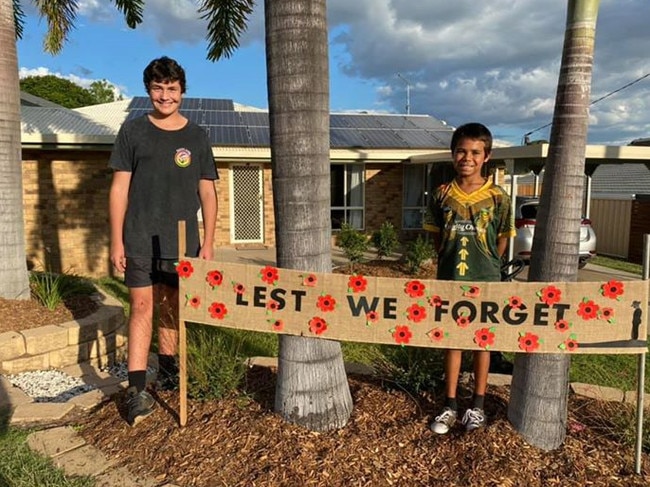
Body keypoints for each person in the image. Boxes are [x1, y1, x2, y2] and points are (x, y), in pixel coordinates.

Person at [109, 56, 218, 426]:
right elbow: (119, 188)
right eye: (158, 88)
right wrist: (116, 241)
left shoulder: (197, 136)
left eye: (172, 88)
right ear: (149, 91)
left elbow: (208, 191)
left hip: (182, 241)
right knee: (142, 307)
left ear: (182, 92)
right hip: (139, 236)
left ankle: (170, 375)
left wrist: (208, 242)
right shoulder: (133, 132)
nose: (165, 95)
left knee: (172, 306)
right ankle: (137, 390)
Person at [423, 122, 515, 434]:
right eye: (461, 150)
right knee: (452, 340)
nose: (467, 157)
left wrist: (486, 263)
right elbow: (438, 239)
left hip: (486, 279)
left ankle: (477, 406)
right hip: (450, 278)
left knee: (482, 341)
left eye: (475, 152)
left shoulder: (499, 197)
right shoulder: (440, 195)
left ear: (486, 156)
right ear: (452, 154)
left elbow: (501, 240)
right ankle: (449, 405)